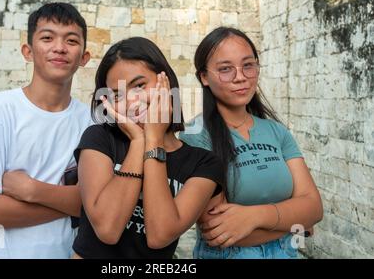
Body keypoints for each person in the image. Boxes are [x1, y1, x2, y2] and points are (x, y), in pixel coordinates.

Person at [0, 2, 91, 258]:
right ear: (28, 51)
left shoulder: (92, 122)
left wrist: (32, 190)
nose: (59, 48)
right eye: (47, 38)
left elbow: (102, 202)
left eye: (71, 40)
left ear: (84, 57)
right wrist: (73, 204)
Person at [72, 37, 225, 258]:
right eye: (117, 95)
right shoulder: (99, 139)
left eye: (140, 85)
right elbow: (107, 229)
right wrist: (137, 142)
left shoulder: (204, 164)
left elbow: (159, 235)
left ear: (166, 83)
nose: (132, 101)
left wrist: (153, 139)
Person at [179, 27, 323, 259]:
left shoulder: (276, 132)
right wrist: (293, 219)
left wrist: (253, 217)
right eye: (225, 69)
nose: (240, 76)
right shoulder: (196, 137)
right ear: (204, 77)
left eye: (248, 65)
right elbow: (216, 231)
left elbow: (314, 207)